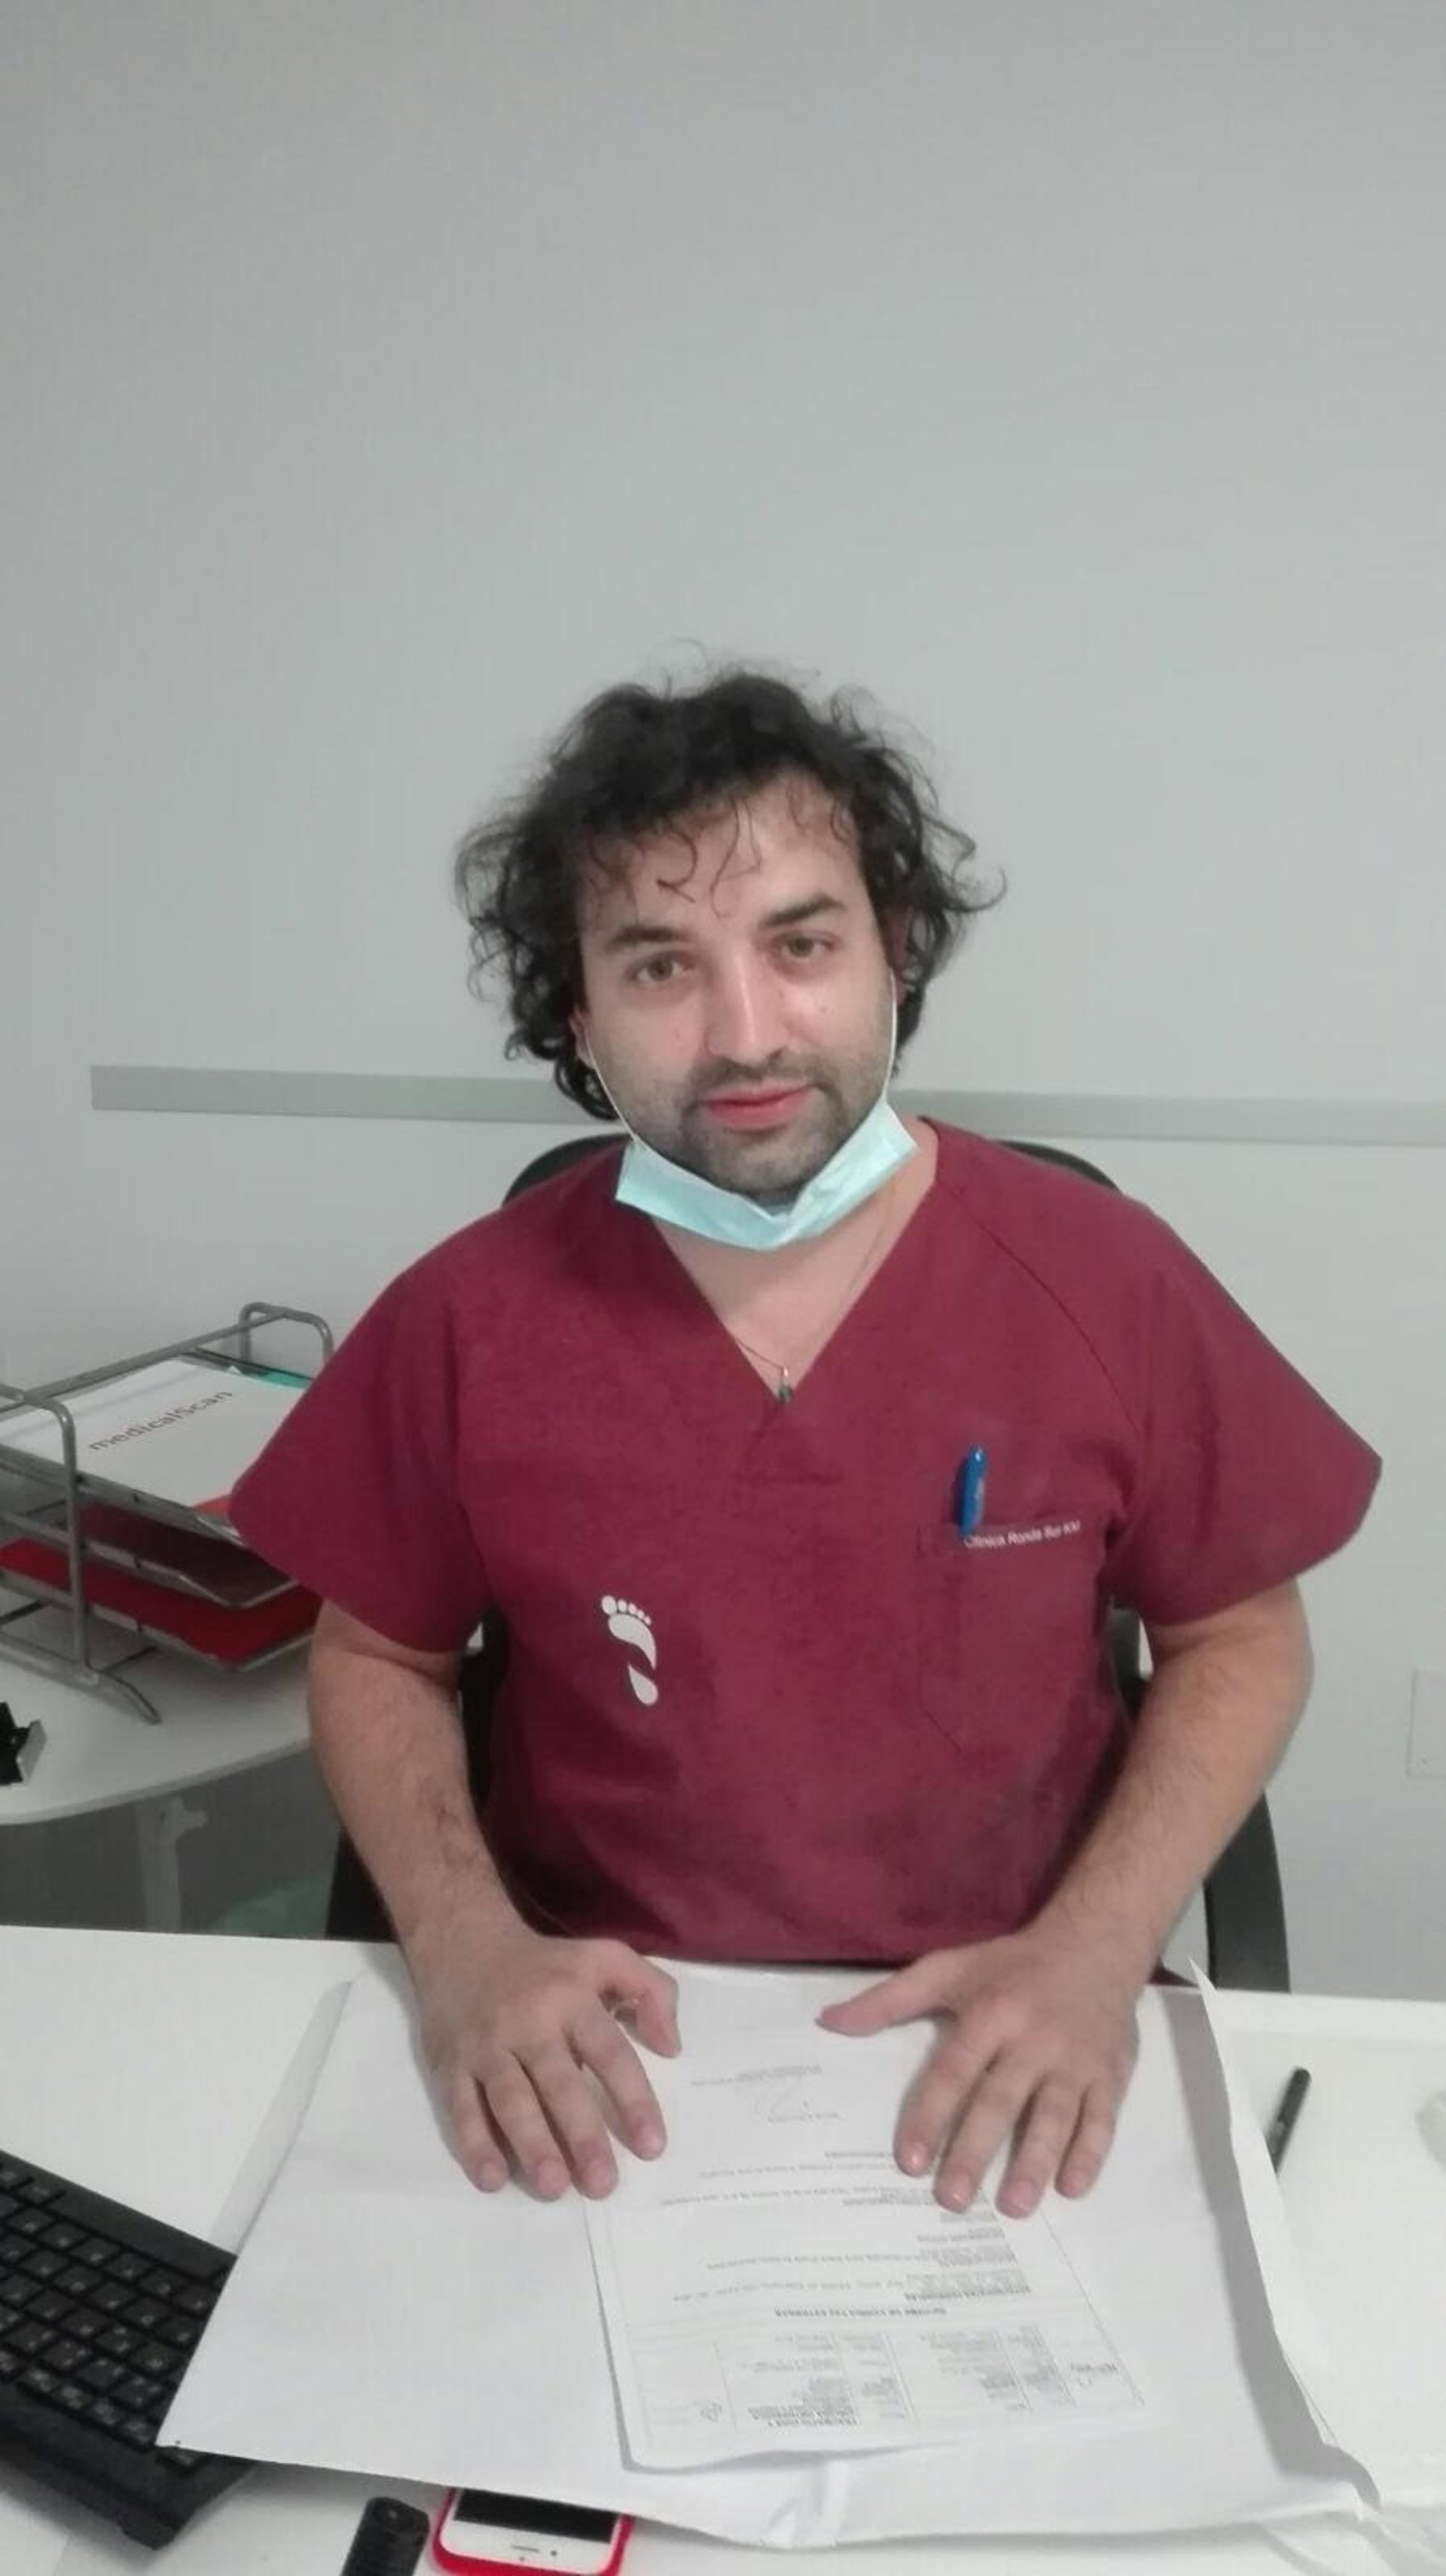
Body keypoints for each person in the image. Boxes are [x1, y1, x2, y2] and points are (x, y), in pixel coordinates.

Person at [230, 666, 1380, 2224]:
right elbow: (376, 1654)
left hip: (1011, 2026)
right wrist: (465, 1948)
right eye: (661, 964)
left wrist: (1095, 1952)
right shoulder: (472, 1319)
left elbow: (1240, 1634)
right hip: (601, 2051)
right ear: (578, 1010)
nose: (746, 1032)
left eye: (802, 943)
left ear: (892, 949)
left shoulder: (1102, 1282)